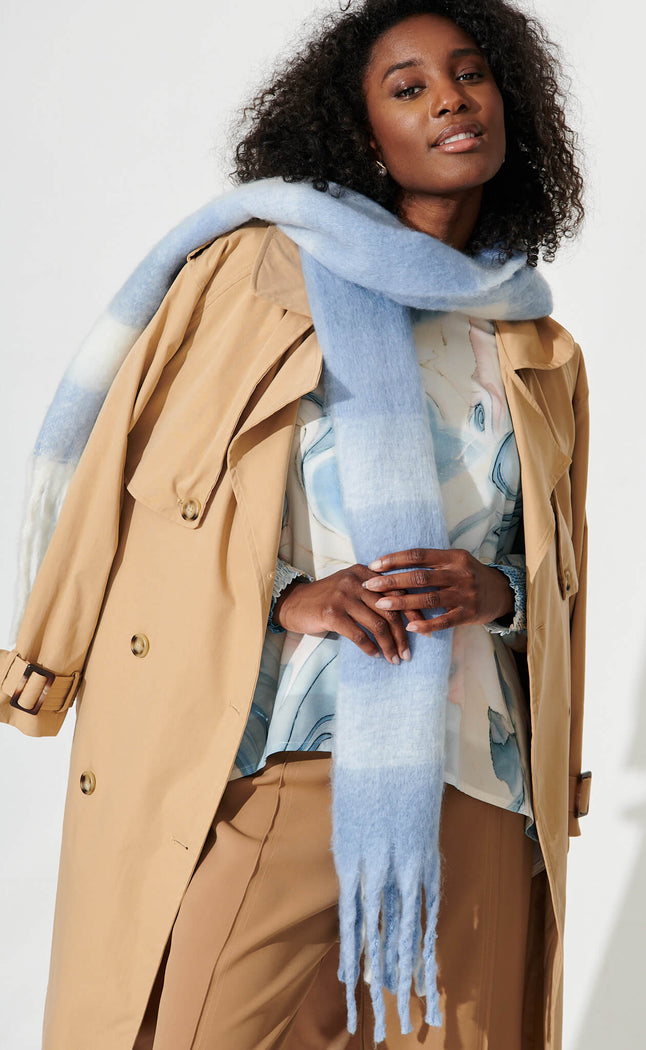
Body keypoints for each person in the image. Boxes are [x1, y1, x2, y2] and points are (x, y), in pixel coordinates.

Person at [0, 1, 591, 1048]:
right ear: (361, 134)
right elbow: (146, 496)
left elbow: (552, 574)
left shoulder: (535, 344)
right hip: (285, 750)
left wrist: (493, 590)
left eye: (470, 75)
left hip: (481, 774)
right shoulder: (254, 280)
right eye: (409, 88)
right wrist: (287, 597)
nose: (450, 101)